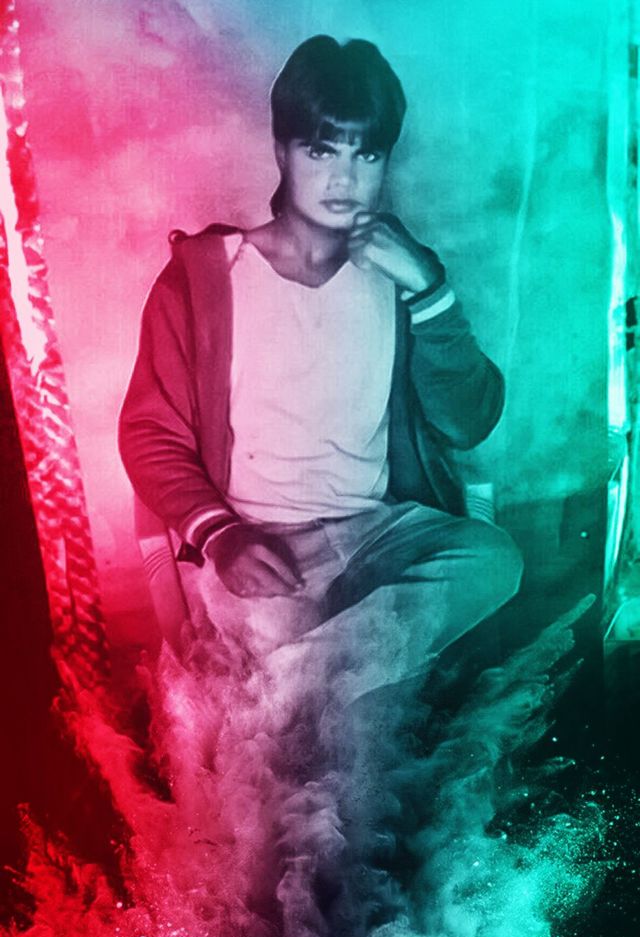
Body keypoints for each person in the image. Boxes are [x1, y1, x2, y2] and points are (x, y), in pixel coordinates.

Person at [118, 35, 523, 690]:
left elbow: (468, 421)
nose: (344, 177)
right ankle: (325, 688)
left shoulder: (404, 275)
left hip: (376, 536)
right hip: (260, 544)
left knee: (494, 558)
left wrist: (430, 292)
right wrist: (221, 536)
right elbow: (148, 434)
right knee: (361, 727)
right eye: (321, 149)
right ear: (282, 150)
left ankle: (293, 685)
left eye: (367, 154)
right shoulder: (203, 280)